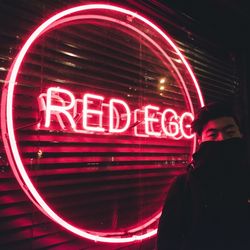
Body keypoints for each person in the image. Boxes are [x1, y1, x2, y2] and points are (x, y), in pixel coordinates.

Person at [157, 101, 250, 250]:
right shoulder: (183, 186)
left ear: (241, 134)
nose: (222, 139)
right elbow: (168, 240)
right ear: (200, 140)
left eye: (230, 132)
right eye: (213, 135)